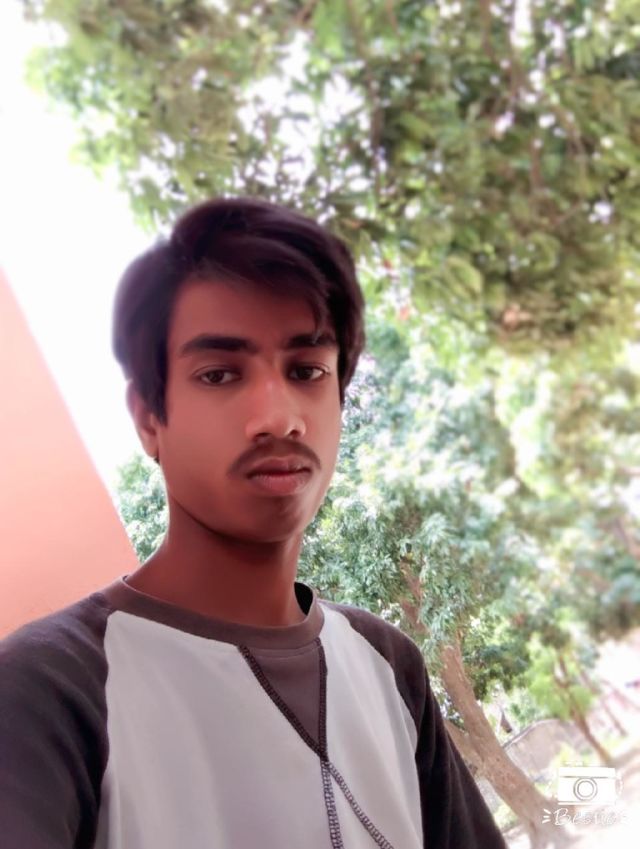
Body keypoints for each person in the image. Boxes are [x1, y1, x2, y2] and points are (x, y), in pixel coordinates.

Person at [0, 197, 506, 848]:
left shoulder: (386, 662)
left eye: (307, 371)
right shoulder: (48, 690)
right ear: (149, 417)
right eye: (219, 374)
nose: (278, 418)